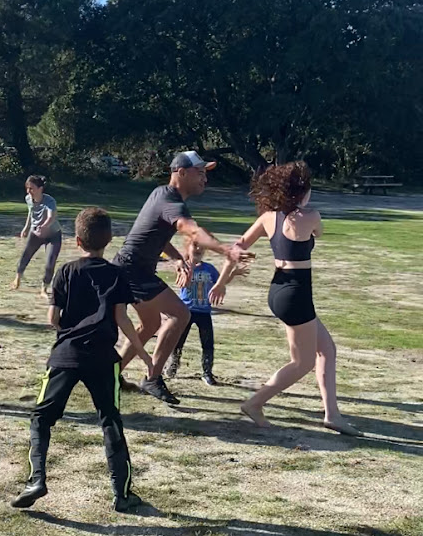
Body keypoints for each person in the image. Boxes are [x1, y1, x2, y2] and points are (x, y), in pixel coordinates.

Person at [11, 207, 153, 513]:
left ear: (77, 241)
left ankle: (36, 480)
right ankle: (122, 494)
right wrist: (142, 353)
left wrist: (67, 329)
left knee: (41, 417)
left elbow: (53, 318)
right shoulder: (116, 274)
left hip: (66, 355)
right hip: (103, 358)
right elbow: (122, 318)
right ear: (110, 239)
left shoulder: (65, 271)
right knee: (110, 420)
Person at [209, 161, 359, 435]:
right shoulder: (311, 215)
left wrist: (221, 283)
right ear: (301, 191)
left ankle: (332, 414)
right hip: (296, 294)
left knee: (326, 349)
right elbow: (318, 233)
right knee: (302, 362)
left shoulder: (268, 217)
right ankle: (254, 403)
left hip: (279, 290)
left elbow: (236, 248)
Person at [114, 151, 251, 404]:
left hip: (132, 268)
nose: (204, 179)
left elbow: (155, 234)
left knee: (151, 324)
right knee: (180, 314)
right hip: (133, 269)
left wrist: (177, 258)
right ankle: (152, 378)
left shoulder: (162, 194)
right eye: (200, 173)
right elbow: (193, 231)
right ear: (182, 172)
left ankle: (113, 373)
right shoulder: (171, 201)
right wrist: (226, 250)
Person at [164, 233, 248, 384]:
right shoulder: (183, 266)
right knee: (178, 340)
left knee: (207, 343)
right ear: (187, 247)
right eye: (195, 246)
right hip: (186, 311)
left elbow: (221, 282)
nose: (198, 249)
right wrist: (187, 265)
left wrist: (233, 273)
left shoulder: (209, 269)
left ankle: (207, 372)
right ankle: (173, 365)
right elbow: (180, 278)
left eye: (202, 247)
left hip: (204, 312)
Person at [11, 175, 62, 298]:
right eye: (27, 188)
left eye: (32, 188)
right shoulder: (28, 199)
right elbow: (31, 213)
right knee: (25, 256)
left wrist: (44, 226)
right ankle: (17, 279)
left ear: (40, 189)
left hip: (53, 235)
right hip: (35, 233)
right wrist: (26, 228)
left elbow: (51, 217)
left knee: (50, 263)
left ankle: (44, 289)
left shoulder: (50, 201)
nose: (29, 191)